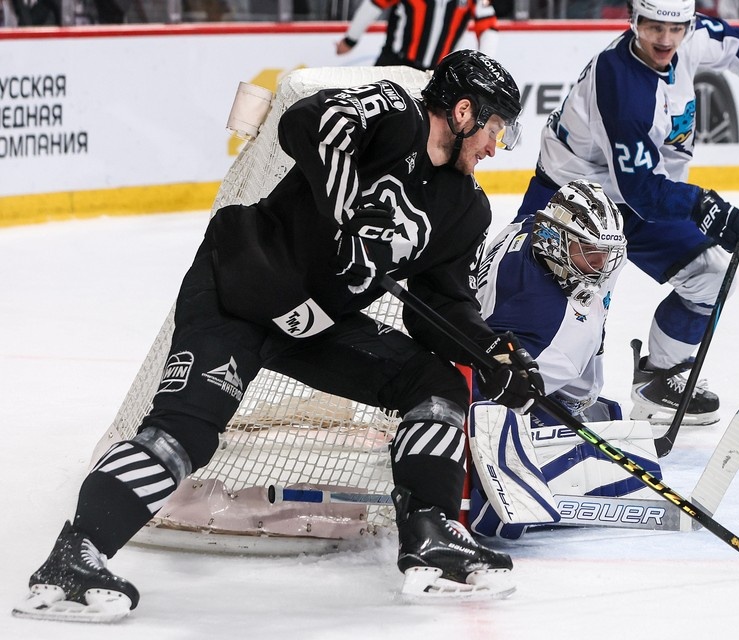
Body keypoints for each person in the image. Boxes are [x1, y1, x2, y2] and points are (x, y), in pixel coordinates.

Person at [14, 50, 543, 621]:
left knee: (436, 385)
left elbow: (441, 305)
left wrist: (491, 353)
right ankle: (75, 555)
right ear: (463, 112)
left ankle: (431, 535)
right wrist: (345, 217)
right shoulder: (395, 113)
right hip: (238, 292)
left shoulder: (465, 209)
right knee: (184, 433)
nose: (495, 148)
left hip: (314, 326)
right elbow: (309, 122)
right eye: (494, 129)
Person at [515, 0, 739, 427]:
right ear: (634, 21)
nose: (666, 40)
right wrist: (706, 208)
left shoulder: (689, 35)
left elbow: (734, 45)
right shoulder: (622, 84)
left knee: (712, 276)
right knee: (572, 309)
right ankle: (539, 400)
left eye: (676, 29)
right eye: (654, 27)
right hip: (573, 199)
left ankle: (660, 379)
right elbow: (642, 192)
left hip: (644, 194)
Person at [469, 178, 651, 539]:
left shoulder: (528, 229)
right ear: (556, 240)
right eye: (591, 251)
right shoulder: (548, 318)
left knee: (601, 409)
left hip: (500, 358)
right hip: (497, 391)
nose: (602, 264)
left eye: (607, 252)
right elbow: (494, 389)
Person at [335, 0, 500, 70]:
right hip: (395, 63)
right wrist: (351, 39)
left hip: (436, 72)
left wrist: (483, 65)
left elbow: (487, 27)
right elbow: (373, 5)